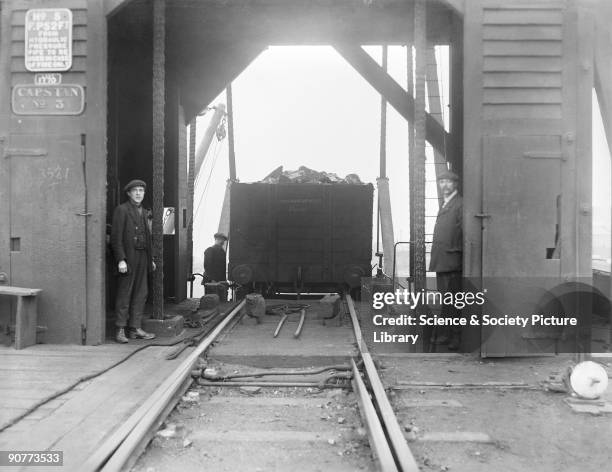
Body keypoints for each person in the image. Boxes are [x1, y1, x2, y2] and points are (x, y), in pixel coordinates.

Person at [111, 179, 157, 343]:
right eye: (135, 191)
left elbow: (148, 238)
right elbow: (116, 238)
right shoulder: (121, 210)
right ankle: (120, 330)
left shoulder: (144, 212)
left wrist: (150, 259)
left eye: (141, 190)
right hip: (128, 258)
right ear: (129, 193)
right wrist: (121, 260)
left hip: (143, 257)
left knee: (140, 293)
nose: (138, 193)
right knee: (125, 293)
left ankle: (134, 328)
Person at [429, 170, 463, 350]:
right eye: (442, 182)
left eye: (448, 182)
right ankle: (447, 334)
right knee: (447, 302)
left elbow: (464, 234)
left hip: (452, 262)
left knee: (453, 302)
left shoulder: (460, 205)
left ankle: (455, 337)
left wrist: (456, 252)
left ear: (455, 184)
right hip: (443, 261)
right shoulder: (446, 204)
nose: (445, 185)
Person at [203, 232, 228, 301]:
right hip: (211, 281)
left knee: (221, 300)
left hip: (220, 281)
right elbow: (207, 266)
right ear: (216, 239)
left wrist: (223, 280)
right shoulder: (210, 250)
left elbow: (222, 268)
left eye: (223, 240)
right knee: (210, 300)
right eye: (220, 239)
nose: (222, 241)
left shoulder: (222, 252)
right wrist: (212, 279)